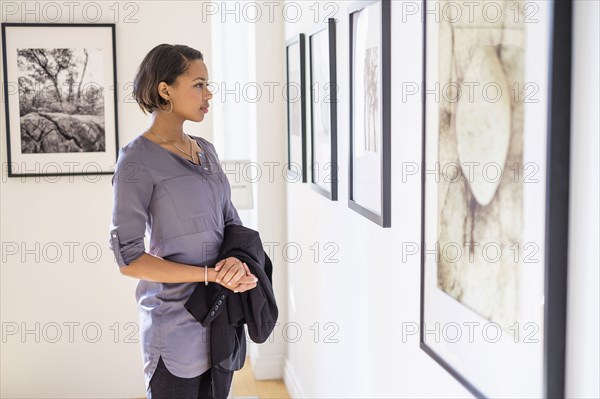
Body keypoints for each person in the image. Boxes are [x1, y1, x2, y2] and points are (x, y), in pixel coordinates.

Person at [108, 44, 258, 399]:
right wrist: (207, 274)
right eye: (199, 84)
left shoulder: (206, 150)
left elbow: (230, 222)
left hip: (220, 319)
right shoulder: (135, 160)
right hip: (173, 329)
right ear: (165, 90)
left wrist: (235, 262)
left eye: (209, 85)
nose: (209, 94)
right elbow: (129, 260)